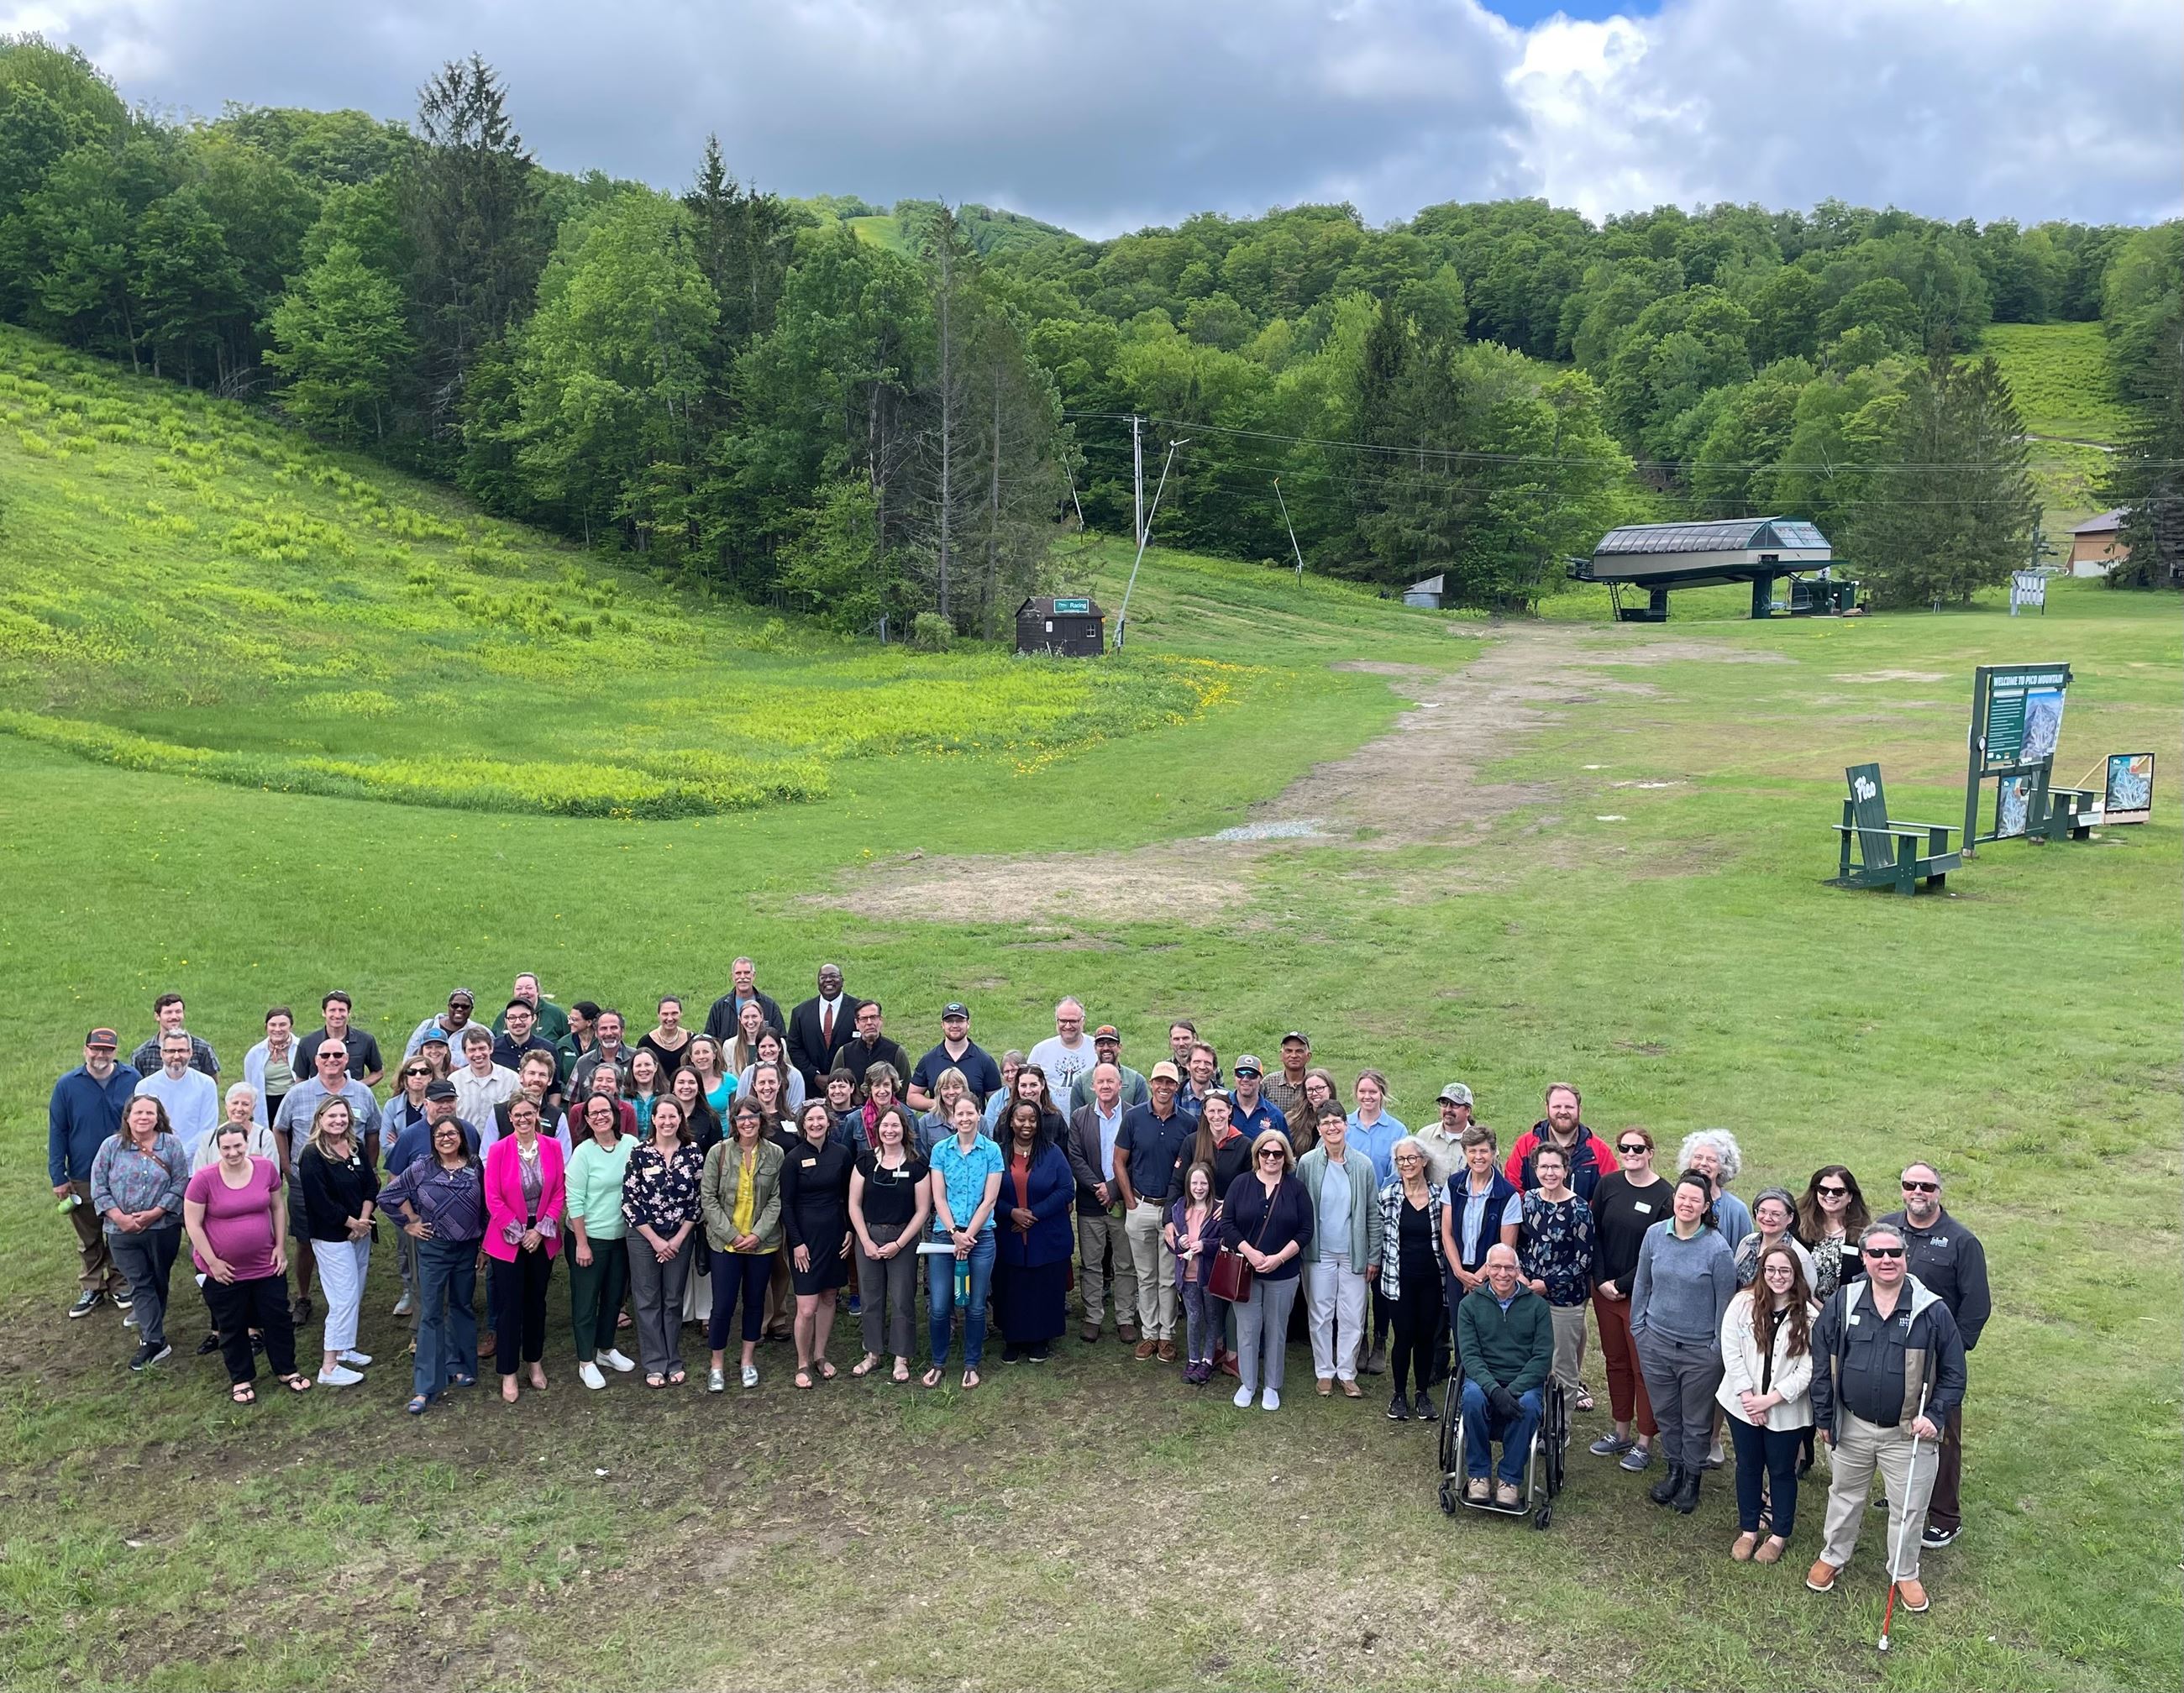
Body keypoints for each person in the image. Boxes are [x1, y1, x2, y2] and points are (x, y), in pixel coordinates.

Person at [1806, 1223, 1966, 1610]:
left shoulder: (1932, 1310)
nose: (1886, 1260)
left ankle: (1905, 1571)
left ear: (1905, 1256)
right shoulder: (1843, 1302)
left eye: (1893, 1252)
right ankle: (1833, 1556)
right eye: (1876, 1254)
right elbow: (1821, 1362)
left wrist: (1935, 1415)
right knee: (1844, 1496)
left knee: (1909, 1507)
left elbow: (1954, 1373)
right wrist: (1826, 1418)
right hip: (1853, 1425)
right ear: (1864, 1259)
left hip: (1909, 1433)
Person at [1879, 1162, 1990, 1552]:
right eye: (1910, 1184)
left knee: (1941, 1433)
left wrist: (1952, 1355)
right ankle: (1903, 1493)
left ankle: (1944, 1516)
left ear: (1939, 1191)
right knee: (1895, 1426)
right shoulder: (1887, 1228)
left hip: (1938, 1359)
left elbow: (1976, 1306)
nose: (1917, 1192)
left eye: (1926, 1186)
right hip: (1889, 1352)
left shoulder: (1961, 1241)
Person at [1629, 1169, 1737, 1513]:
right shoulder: (1654, 1235)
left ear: (1706, 1207)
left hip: (1699, 1353)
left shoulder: (1717, 1250)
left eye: (1695, 1200)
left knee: (1695, 1421)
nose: (1687, 1204)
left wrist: (1715, 1351)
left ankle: (1692, 1477)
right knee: (1666, 1413)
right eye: (1682, 1197)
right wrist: (1639, 1330)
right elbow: (1642, 1285)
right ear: (1673, 1200)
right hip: (1655, 1343)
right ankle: (1673, 1469)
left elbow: (1725, 1306)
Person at [182, 1120, 306, 1402]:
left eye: (238, 1145)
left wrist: (280, 1247)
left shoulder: (264, 1168)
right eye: (226, 1147)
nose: (233, 1152)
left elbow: (277, 1206)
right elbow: (193, 1223)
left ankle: (287, 1370)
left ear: (247, 1143)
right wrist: (212, 1262)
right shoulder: (204, 1179)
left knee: (278, 1318)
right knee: (232, 1324)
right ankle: (241, 1379)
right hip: (224, 1270)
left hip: (266, 1264)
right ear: (218, 1148)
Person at [378, 1112, 487, 1413]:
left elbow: (485, 1208)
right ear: (433, 1140)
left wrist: (484, 1247)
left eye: (452, 1134)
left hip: (467, 1248)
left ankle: (461, 1366)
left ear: (462, 1137)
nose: (447, 1139)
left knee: (462, 1306)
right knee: (431, 1313)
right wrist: (409, 1222)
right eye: (440, 1135)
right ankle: (426, 1386)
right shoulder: (420, 1169)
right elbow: (388, 1196)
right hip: (434, 1249)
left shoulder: (476, 1167)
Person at [1719, 1244, 1819, 1565]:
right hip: (1741, 1405)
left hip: (1785, 1410)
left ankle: (1777, 1536)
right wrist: (1749, 1397)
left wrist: (1770, 1400)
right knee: (1747, 1466)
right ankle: (1749, 1530)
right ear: (1762, 1272)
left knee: (1781, 1471)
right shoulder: (1742, 1304)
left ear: (1796, 1275)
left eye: (1785, 1271)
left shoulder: (1810, 1317)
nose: (1777, 1277)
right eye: (1770, 1270)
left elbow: (1809, 1369)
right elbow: (1730, 1350)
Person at [89, 1094, 191, 1371]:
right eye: (138, 1113)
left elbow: (181, 1182)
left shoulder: (170, 1145)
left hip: (162, 1228)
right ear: (128, 1117)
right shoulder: (111, 1146)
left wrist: (155, 1212)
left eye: (150, 1113)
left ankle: (150, 1323)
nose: (144, 1117)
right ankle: (154, 1340)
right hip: (121, 1232)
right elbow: (98, 1186)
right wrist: (119, 1217)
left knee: (158, 1280)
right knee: (140, 1282)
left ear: (159, 1117)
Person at [1588, 1126, 1668, 1471]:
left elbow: (1658, 1252)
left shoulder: (1666, 1194)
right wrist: (1601, 1279)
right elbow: (1594, 1233)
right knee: (1615, 1362)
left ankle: (1644, 1441)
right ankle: (1620, 1431)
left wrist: (1622, 1284)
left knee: (1642, 1368)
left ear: (1650, 1152)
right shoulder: (1608, 1184)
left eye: (1638, 1148)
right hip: (1605, 1292)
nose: (1631, 1154)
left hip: (1639, 1295)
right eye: (1625, 1148)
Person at [1455, 1245, 1555, 1507]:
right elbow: (1470, 1356)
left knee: (1531, 1406)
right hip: (1484, 1378)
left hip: (1522, 1379)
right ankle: (1478, 1476)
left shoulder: (1538, 1307)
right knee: (1473, 1399)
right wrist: (1495, 1391)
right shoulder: (1469, 1306)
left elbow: (1542, 1357)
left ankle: (1510, 1478)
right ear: (1487, 1270)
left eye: (1509, 1268)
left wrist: (1511, 1391)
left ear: (1518, 1271)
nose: (1503, 1273)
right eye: (1496, 1267)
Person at [1221, 1130, 1312, 1412]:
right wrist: (1249, 1251)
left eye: (1277, 1153)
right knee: (1247, 1330)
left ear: (1286, 1157)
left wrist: (1279, 1259)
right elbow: (1227, 1224)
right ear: (1256, 1155)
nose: (1271, 1158)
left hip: (1282, 1274)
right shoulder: (1241, 1184)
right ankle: (1248, 1384)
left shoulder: (1295, 1188)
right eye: (1265, 1153)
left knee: (1276, 1329)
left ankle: (1272, 1385)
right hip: (1244, 1272)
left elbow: (1306, 1231)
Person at [50, 1026, 138, 1318]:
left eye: (107, 1049)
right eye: (95, 1048)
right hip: (82, 1173)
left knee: (118, 1231)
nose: (101, 1054)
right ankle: (92, 1286)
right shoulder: (67, 1085)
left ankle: (120, 1282)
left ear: (115, 1051)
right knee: (89, 1235)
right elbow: (58, 1132)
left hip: (124, 1172)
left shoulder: (132, 1079)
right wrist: (58, 1177)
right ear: (85, 1049)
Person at [483, 1096, 564, 1404]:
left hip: (542, 1235)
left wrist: (541, 1230)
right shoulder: (498, 1150)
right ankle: (507, 1371)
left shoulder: (552, 1147)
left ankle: (534, 1361)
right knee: (509, 1306)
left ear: (537, 1115)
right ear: (510, 1118)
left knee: (536, 1303)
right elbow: (493, 1198)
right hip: (508, 1238)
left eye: (528, 1114)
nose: (522, 1119)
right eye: (517, 1115)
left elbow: (559, 1191)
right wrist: (519, 1233)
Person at [1297, 1107, 1382, 1398]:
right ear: (1319, 1129)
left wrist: (1374, 1255)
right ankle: (1324, 1370)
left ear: (1346, 1126)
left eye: (1337, 1122)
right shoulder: (1307, 1163)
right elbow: (1300, 1209)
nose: (1332, 1127)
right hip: (1318, 1251)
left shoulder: (1363, 1165)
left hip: (1352, 1252)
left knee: (1353, 1315)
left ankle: (1346, 1372)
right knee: (1320, 1313)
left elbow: (1373, 1212)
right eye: (1326, 1123)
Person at [1113, 1061, 1194, 1364]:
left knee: (1169, 1278)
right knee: (1146, 1276)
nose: (1164, 1087)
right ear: (1151, 1083)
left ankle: (1166, 1336)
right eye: (1159, 1081)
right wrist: (1130, 1202)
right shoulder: (1134, 1118)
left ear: (1176, 1086)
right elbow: (1119, 1161)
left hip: (1172, 1211)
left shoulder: (1188, 1122)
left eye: (1170, 1083)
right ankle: (1149, 1333)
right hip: (1141, 1206)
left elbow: (1193, 1168)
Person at [296, 1096, 379, 1388]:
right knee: (342, 1297)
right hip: (332, 1237)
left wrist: (364, 1220)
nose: (338, 1121)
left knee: (354, 1292)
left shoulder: (354, 1147)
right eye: (332, 1116)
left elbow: (372, 1183)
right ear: (320, 1119)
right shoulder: (312, 1154)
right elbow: (319, 1201)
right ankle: (329, 1366)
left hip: (361, 1231)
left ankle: (346, 1347)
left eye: (343, 1116)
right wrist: (350, 1223)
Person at [703, 1098, 785, 1392]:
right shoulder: (719, 1152)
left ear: (762, 1120)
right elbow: (708, 1199)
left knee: (754, 1302)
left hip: (761, 1245)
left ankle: (747, 1360)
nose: (747, 1123)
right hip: (725, 1244)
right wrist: (733, 1235)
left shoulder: (775, 1154)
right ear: (733, 1122)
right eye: (741, 1118)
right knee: (723, 1305)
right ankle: (717, 1364)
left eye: (752, 1117)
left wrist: (757, 1234)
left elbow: (777, 1198)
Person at [622, 1096, 704, 1388]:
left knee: (672, 1299)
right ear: (653, 1120)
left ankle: (673, 1359)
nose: (668, 1122)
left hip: (681, 1237)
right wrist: (656, 1241)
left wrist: (678, 1239)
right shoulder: (639, 1153)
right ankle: (655, 1363)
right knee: (647, 1300)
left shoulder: (693, 1153)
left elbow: (697, 1200)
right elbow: (630, 1202)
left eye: (673, 1116)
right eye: (662, 1117)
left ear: (681, 1119)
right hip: (645, 1237)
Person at [925, 1093, 1004, 1390]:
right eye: (960, 1114)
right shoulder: (941, 1151)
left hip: (980, 1238)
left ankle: (971, 1364)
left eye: (970, 1113)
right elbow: (939, 1196)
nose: (965, 1118)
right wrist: (955, 1233)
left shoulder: (992, 1151)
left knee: (975, 1304)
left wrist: (968, 1235)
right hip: (945, 1237)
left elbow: (990, 1199)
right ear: (952, 1117)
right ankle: (938, 1363)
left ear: (979, 1115)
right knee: (940, 1305)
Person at [848, 1103, 928, 1384]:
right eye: (885, 1126)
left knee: (902, 1298)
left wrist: (899, 1243)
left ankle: (901, 1357)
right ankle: (872, 1353)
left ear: (904, 1130)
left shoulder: (917, 1164)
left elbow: (922, 1210)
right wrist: (865, 1240)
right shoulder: (865, 1161)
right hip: (868, 1237)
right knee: (871, 1299)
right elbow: (854, 1204)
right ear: (877, 1129)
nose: (890, 1130)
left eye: (895, 1125)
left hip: (903, 1240)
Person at [993, 1098, 1075, 1364]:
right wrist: (1011, 1212)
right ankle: (1013, 1340)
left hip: (1046, 1232)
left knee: (1043, 1286)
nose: (1026, 1125)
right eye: (1021, 1119)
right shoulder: (998, 1153)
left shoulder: (1053, 1153)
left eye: (1032, 1119)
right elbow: (987, 1194)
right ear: (1010, 1122)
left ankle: (1041, 1339)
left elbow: (1066, 1190)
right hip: (1009, 1232)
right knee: (1012, 1287)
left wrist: (1033, 1214)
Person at [564, 1093, 638, 1390]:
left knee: (613, 1298)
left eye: (604, 1111)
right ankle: (586, 1361)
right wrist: (581, 1243)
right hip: (589, 1239)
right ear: (586, 1120)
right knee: (585, 1302)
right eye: (592, 1113)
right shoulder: (583, 1153)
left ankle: (606, 1349)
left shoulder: (632, 1145)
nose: (599, 1117)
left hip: (621, 1238)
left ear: (615, 1114)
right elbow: (575, 1200)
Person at [1518, 1142, 1597, 1412]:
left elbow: (1583, 1261)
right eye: (1544, 1167)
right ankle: (1535, 1417)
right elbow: (1520, 1244)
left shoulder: (1579, 1209)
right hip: (1529, 1294)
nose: (1549, 1172)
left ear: (1565, 1170)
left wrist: (1548, 1284)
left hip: (1565, 1301)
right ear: (1535, 1169)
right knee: (1532, 1359)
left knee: (1562, 1365)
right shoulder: (1528, 1201)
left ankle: (1559, 1431)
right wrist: (1521, 1276)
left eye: (1555, 1167)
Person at [780, 1098, 854, 1387]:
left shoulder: (842, 1154)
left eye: (820, 1119)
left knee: (828, 1297)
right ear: (802, 1124)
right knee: (807, 1307)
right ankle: (802, 1362)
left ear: (829, 1122)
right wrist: (796, 1242)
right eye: (810, 1120)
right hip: (805, 1241)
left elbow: (850, 1196)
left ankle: (821, 1356)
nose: (815, 1124)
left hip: (835, 1235)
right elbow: (786, 1205)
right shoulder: (793, 1158)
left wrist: (849, 1230)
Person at [1065, 1061, 1138, 1345]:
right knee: (1091, 1262)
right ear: (1092, 1086)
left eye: (1111, 1081)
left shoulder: (1133, 1115)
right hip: (1090, 1202)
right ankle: (1093, 1316)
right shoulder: (1079, 1117)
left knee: (1125, 1263)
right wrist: (1098, 1188)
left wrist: (1113, 1189)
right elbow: (1075, 1157)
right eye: (1101, 1082)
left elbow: (1138, 1159)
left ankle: (1125, 1318)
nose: (1106, 1086)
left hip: (1122, 1199)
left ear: (1120, 1085)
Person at [1440, 1123, 1521, 1376]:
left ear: (1494, 1153)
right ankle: (1464, 1389)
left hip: (1492, 1276)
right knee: (1461, 1329)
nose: (1478, 1157)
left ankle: (1487, 1387)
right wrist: (1458, 1272)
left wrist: (1479, 1276)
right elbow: (1447, 1232)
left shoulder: (1507, 1194)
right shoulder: (1454, 1185)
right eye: (1472, 1151)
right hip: (1457, 1273)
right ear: (1465, 1153)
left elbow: (1507, 1246)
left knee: (1488, 1333)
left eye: (1484, 1151)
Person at [1377, 1137, 1445, 1420]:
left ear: (1424, 1161)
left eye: (1412, 1159)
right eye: (1401, 1160)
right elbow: (1378, 1237)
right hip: (1398, 1278)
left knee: (1426, 1337)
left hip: (1431, 1279)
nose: (1406, 1164)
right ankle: (1399, 1394)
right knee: (1403, 1337)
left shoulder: (1441, 1197)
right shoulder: (1388, 1196)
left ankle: (1422, 1394)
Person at [1504, 1083, 1618, 1201]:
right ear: (1547, 1108)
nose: (1563, 1112)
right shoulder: (1525, 1145)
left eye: (1569, 1107)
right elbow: (1513, 1191)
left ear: (1580, 1110)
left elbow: (1610, 1194)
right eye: (1557, 1106)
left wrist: (1583, 1215)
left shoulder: (1599, 1152)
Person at [1166, 1161, 1224, 1383]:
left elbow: (1225, 1241)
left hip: (1209, 1275)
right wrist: (1180, 1243)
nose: (1199, 1187)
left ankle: (1208, 1360)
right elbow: (1172, 1243)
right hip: (1187, 1275)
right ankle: (1193, 1359)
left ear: (1210, 1184)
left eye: (1203, 1183)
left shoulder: (1218, 1210)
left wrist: (1206, 1246)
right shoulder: (1180, 1208)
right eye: (1194, 1183)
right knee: (1194, 1316)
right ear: (1188, 1185)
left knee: (1211, 1316)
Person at [1795, 1164, 1871, 1305]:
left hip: (1846, 1313)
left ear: (1850, 1196)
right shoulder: (1799, 1228)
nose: (1829, 1195)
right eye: (1823, 1190)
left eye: (1838, 1192)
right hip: (1803, 1309)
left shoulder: (1864, 1235)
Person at [134, 1032, 219, 1154]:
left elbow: (208, 1129)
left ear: (190, 1052)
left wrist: (181, 1154)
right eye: (170, 1051)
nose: (176, 1056)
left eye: (182, 1050)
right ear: (162, 1053)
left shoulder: (206, 1084)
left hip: (197, 1160)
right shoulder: (145, 1086)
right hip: (157, 1158)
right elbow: (143, 1127)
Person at [911, 1001, 1003, 1109]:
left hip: (973, 1124)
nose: (954, 1025)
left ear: (968, 1023)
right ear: (942, 1025)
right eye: (949, 1021)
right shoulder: (929, 1060)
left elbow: (997, 1103)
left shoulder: (985, 1061)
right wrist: (940, 1105)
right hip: (939, 1124)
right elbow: (912, 1097)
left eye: (959, 1021)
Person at [787, 963, 862, 1094]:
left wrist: (842, 1078)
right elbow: (794, 1047)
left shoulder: (858, 1010)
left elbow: (863, 1046)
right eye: (823, 977)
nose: (828, 980)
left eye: (833, 976)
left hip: (851, 1089)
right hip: (811, 1089)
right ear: (818, 982)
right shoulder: (800, 1013)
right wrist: (814, 1075)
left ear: (842, 981)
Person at [1677, 1130, 1752, 1245]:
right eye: (1698, 1157)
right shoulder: (1678, 1201)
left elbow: (1746, 1253)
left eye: (1711, 1160)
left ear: (1723, 1167)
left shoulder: (1737, 1210)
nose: (1703, 1163)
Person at [296, 991, 384, 1088]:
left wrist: (357, 1087)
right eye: (332, 1010)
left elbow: (378, 1072)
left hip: (352, 1099)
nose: (337, 1015)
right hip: (319, 1100)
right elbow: (301, 1079)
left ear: (349, 1013)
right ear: (324, 1013)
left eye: (342, 1010)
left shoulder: (365, 1040)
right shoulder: (307, 1043)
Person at [1735, 1187, 1818, 1287]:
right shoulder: (1747, 1243)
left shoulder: (1800, 1257)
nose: (1767, 1218)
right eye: (1762, 1211)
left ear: (1790, 1217)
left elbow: (1805, 1295)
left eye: (1776, 1214)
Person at [450, 1028, 519, 1145]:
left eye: (482, 1048)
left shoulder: (511, 1079)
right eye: (472, 1050)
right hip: (465, 1147)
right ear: (464, 1052)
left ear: (491, 1048)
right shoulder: (454, 1081)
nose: (478, 1054)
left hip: (502, 1146)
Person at [129, 992, 219, 1080]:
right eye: (168, 1012)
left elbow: (212, 1083)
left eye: (178, 1012)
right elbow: (137, 1088)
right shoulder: (142, 1054)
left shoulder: (202, 1049)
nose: (174, 1016)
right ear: (157, 1016)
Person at [1026, 998, 1095, 1113]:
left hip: (1088, 1120)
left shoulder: (1096, 1048)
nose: (1068, 1026)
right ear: (1056, 1021)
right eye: (1063, 1021)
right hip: (1051, 1121)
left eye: (1073, 1021)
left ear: (1083, 1021)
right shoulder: (1040, 1050)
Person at [1189, 1091, 1256, 1210]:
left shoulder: (1245, 1145)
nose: (1216, 1116)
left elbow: (1251, 1186)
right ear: (1204, 1112)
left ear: (1230, 1110)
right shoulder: (1192, 1142)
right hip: (1198, 1212)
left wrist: (1230, 1204)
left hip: (1233, 1213)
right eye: (1211, 1111)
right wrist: (1169, 1219)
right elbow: (1178, 1181)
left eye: (1221, 1111)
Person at [831, 999, 910, 1093]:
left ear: (880, 1020)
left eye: (873, 1017)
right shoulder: (845, 1053)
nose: (869, 1023)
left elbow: (905, 1092)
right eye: (864, 1019)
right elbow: (833, 1086)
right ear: (857, 1023)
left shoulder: (896, 1052)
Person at [1068, 1025, 1146, 1115]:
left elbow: (1142, 1119)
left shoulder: (1136, 1081)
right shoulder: (1081, 1083)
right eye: (1101, 1044)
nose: (1106, 1048)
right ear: (1095, 1048)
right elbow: (1076, 1122)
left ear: (1119, 1047)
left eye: (1111, 1043)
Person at [704, 957, 785, 1044]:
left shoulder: (770, 1006)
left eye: (747, 973)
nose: (742, 977)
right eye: (738, 973)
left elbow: (781, 1038)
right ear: (732, 977)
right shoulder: (719, 1007)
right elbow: (710, 1042)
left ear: (753, 975)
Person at [244, 1007, 300, 1129]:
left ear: (291, 1026)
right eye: (273, 1025)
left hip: (294, 1102)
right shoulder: (255, 1053)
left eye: (283, 1025)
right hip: (267, 1104)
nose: (277, 1029)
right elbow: (250, 1084)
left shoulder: (301, 1048)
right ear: (266, 1027)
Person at [1415, 1083, 1473, 1186]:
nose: (1448, 1109)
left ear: (1468, 1111)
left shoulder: (1480, 1141)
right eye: (1444, 1103)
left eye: (1455, 1104)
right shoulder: (1424, 1136)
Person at [495, 972, 571, 1049]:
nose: (524, 992)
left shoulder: (554, 1013)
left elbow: (571, 1039)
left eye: (529, 988)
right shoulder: (504, 1016)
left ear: (538, 991)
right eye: (519, 988)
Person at [735, 1030, 805, 1114]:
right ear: (758, 1049)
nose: (767, 1050)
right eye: (763, 1046)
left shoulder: (794, 1075)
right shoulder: (748, 1073)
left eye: (771, 1046)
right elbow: (739, 1105)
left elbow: (796, 1109)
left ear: (779, 1047)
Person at [1226, 1056, 1289, 1144]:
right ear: (1234, 1076)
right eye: (1240, 1073)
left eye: (1252, 1075)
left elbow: (1286, 1150)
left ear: (1261, 1078)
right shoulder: (1221, 1108)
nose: (1245, 1079)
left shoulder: (1275, 1115)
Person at [405, 988, 482, 1060]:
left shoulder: (479, 1032)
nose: (459, 1009)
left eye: (465, 1006)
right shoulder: (427, 1026)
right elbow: (409, 1057)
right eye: (454, 1005)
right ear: (448, 1006)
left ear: (472, 1009)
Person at [491, 999, 559, 1079]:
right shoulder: (492, 1049)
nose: (518, 1022)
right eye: (512, 1018)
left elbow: (555, 1088)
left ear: (533, 1018)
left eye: (523, 1017)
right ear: (506, 1021)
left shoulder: (548, 1049)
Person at [570, 1009, 634, 1093]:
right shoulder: (583, 1063)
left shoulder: (637, 1059)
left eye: (613, 1028)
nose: (609, 1033)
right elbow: (572, 1101)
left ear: (622, 1032)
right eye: (603, 1028)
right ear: (596, 1033)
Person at [1261, 1032, 1312, 1136]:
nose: (1293, 1055)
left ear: (1308, 1056)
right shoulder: (1269, 1082)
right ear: (1281, 1055)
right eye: (1289, 1051)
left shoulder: (1314, 1083)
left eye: (1299, 1051)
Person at [667, 1063, 722, 1156]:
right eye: (681, 1082)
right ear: (673, 1087)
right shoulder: (664, 1117)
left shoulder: (711, 1118)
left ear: (699, 1087)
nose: (686, 1086)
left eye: (691, 1082)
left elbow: (717, 1156)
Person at [638, 995, 694, 1078]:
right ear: (658, 1015)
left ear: (681, 1014)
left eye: (674, 1013)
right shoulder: (646, 1042)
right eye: (665, 1014)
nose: (670, 1018)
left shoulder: (692, 1040)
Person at [686, 1035, 737, 1120]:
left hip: (724, 1133)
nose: (701, 1056)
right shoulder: (685, 1083)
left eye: (705, 1052)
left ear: (714, 1054)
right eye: (697, 1053)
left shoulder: (730, 1081)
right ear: (691, 1058)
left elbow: (736, 1115)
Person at [722, 999, 773, 1080]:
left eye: (754, 1016)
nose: (750, 1022)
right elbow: (729, 1077)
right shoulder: (729, 1045)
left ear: (761, 1017)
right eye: (746, 1017)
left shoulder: (776, 1043)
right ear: (740, 1020)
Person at [981, 1051, 1026, 1134]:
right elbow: (988, 1133)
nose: (1010, 1076)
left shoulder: (1036, 1093)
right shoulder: (995, 1100)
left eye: (1014, 1070)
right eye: (1006, 1072)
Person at [626, 1047, 665, 1135]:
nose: (643, 1069)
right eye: (638, 1065)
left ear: (655, 1067)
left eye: (647, 1064)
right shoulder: (623, 1097)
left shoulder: (667, 1095)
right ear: (632, 1069)